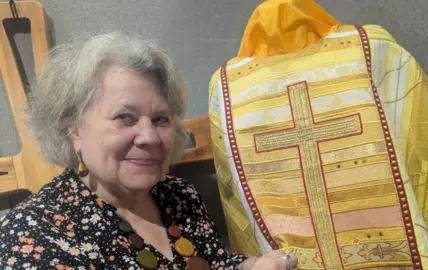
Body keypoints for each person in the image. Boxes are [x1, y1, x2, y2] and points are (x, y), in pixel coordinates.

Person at [0, 32, 298, 270]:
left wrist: (250, 266)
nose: (149, 137)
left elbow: (213, 263)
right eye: (124, 117)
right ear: (74, 128)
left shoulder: (180, 197)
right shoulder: (32, 236)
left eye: (160, 119)